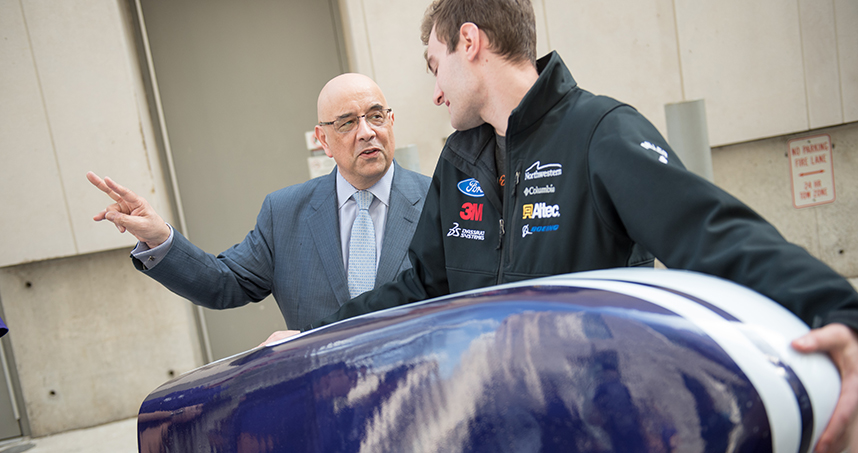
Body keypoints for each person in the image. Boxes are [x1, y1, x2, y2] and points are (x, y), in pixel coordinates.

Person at [304, 1, 858, 452]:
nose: (434, 92)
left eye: (434, 65)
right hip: (494, 429)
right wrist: (313, 339)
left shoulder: (599, 132)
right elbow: (420, 286)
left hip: (600, 429)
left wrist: (842, 314)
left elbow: (711, 231)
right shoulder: (458, 161)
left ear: (468, 42)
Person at [87, 73, 431, 332]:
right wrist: (160, 238)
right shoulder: (284, 213)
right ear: (323, 140)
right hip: (323, 400)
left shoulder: (438, 201)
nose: (367, 131)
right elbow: (224, 283)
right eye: (347, 123)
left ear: (391, 121)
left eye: (375, 116)